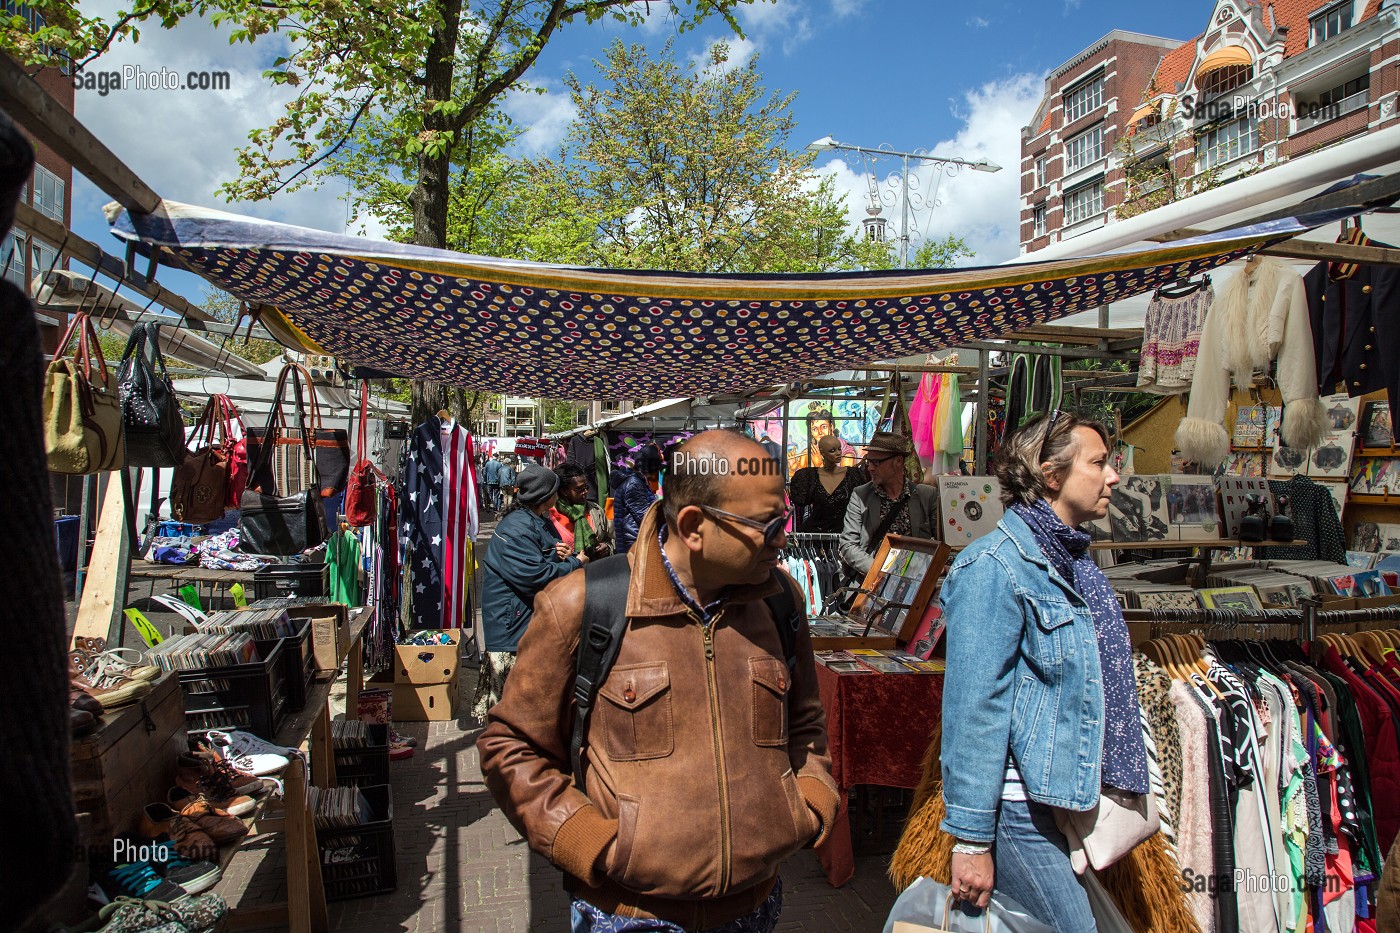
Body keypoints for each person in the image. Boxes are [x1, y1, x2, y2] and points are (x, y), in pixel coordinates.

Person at [478, 430, 838, 932]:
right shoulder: (583, 604)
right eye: (768, 525)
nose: (783, 539)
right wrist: (585, 839)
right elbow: (512, 745)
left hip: (754, 908)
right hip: (627, 917)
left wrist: (810, 802)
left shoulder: (781, 602)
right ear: (693, 526)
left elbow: (806, 721)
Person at [941, 411, 1148, 931]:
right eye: (1098, 463)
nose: (1113, 477)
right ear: (1050, 475)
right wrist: (971, 840)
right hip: (1017, 811)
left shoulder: (1074, 562)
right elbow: (974, 711)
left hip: (1062, 801)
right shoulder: (994, 566)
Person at [474, 462, 588, 720]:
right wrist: (575, 563)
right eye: (556, 489)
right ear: (545, 495)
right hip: (511, 630)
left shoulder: (536, 520)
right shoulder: (516, 528)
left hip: (524, 624)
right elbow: (534, 576)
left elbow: (540, 559)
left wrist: (560, 555)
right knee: (512, 709)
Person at [839, 431, 938, 579]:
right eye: (869, 461)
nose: (870, 468)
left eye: (876, 462)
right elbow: (848, 545)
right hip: (872, 580)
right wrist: (880, 571)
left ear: (898, 461)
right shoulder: (861, 495)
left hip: (915, 581)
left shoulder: (927, 495)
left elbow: (942, 542)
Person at [789, 434, 865, 533]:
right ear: (822, 452)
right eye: (832, 450)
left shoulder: (853, 476)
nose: (838, 453)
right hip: (815, 535)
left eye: (839, 449)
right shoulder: (809, 476)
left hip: (846, 533)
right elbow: (800, 501)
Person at [550, 461, 614, 561]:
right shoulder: (549, 516)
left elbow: (611, 539)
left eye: (586, 487)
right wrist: (569, 559)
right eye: (579, 489)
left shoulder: (596, 510)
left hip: (595, 569)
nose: (585, 492)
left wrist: (607, 547)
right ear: (564, 491)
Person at [614, 445, 661, 554]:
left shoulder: (638, 481)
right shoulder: (634, 484)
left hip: (634, 542)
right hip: (634, 545)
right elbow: (647, 517)